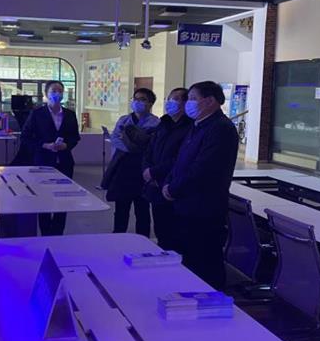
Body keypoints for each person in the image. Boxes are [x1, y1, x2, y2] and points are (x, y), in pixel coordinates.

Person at [162, 81, 239, 290]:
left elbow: (203, 168)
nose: (188, 103)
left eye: (193, 98)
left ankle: (210, 300)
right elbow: (181, 160)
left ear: (210, 101)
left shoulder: (220, 128)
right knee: (190, 257)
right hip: (186, 205)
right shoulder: (198, 125)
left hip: (204, 207)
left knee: (205, 261)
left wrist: (174, 189)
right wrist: (169, 182)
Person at [21, 80, 81, 235]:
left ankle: (58, 233)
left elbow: (75, 137)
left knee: (63, 199)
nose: (57, 94)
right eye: (54, 91)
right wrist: (44, 145)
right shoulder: (37, 114)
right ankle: (46, 233)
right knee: (44, 198)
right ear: (46, 94)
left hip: (64, 162)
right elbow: (26, 137)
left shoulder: (69, 114)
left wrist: (67, 145)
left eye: (60, 91)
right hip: (43, 162)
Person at [102, 88, 160, 237]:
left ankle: (143, 238)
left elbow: (152, 145)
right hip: (123, 168)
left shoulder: (156, 122)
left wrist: (130, 141)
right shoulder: (124, 120)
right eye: (136, 99)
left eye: (143, 99)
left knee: (142, 208)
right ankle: (118, 237)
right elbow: (115, 139)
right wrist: (132, 147)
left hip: (142, 170)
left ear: (150, 103)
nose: (138, 102)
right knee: (121, 207)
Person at [142, 88, 193, 252]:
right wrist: (147, 170)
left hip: (171, 186)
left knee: (174, 234)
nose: (170, 102)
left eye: (176, 98)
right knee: (160, 229)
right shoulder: (163, 123)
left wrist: (155, 172)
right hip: (154, 186)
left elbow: (181, 158)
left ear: (185, 103)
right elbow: (149, 150)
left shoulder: (190, 127)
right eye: (169, 98)